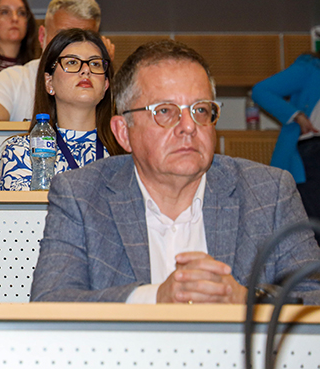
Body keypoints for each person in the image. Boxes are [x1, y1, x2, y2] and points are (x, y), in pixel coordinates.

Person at [30, 40, 320, 304]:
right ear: (123, 132)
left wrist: (246, 301)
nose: (189, 126)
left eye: (200, 110)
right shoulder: (81, 195)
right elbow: (50, 301)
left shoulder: (269, 192)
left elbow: (313, 297)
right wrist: (154, 298)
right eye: (165, 111)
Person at [0, 29, 123, 190]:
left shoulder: (125, 152)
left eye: (95, 64)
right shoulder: (22, 151)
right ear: (49, 82)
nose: (86, 70)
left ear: (106, 85)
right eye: (72, 62)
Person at [0, 0, 114, 122]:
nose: (73, 48)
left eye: (84, 38)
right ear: (42, 36)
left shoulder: (102, 82)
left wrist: (104, 71)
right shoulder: (14, 79)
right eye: (62, 37)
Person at [253, 52, 320, 221]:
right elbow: (261, 90)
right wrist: (297, 116)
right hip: (312, 151)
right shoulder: (311, 68)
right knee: (311, 222)